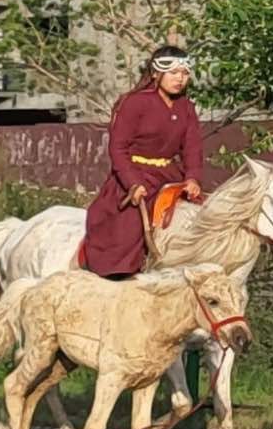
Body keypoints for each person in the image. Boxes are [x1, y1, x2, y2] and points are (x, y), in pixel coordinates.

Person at [83, 45, 204, 279]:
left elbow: (192, 148)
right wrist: (133, 183)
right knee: (126, 230)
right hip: (136, 177)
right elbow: (118, 148)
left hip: (171, 178)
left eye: (184, 73)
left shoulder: (187, 108)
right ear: (157, 73)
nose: (180, 79)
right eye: (173, 73)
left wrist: (193, 178)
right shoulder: (134, 102)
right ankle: (115, 279)